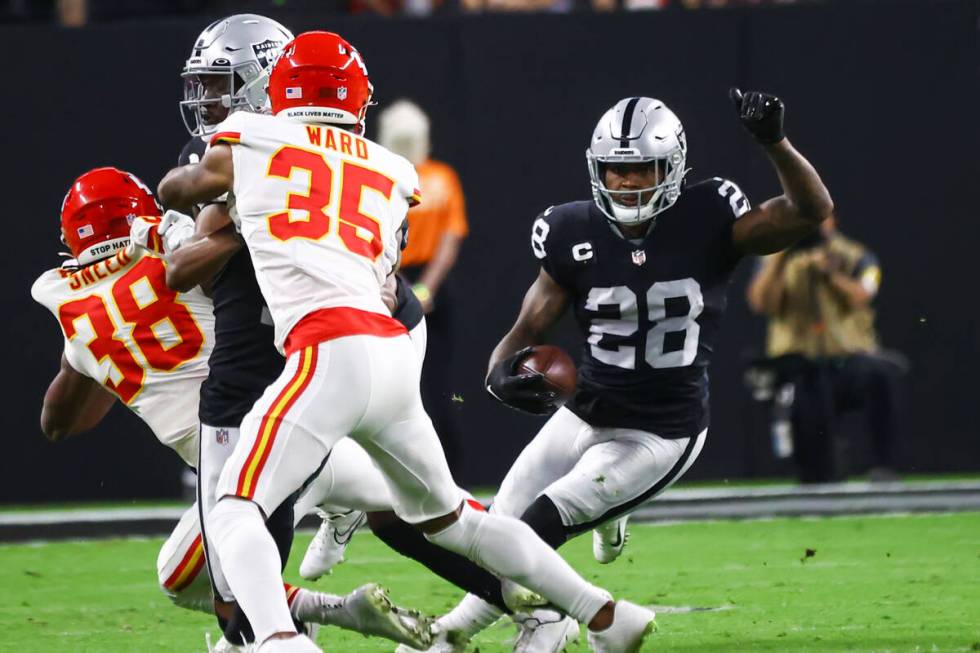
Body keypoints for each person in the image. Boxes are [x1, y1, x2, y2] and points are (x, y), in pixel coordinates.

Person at [158, 30, 654, 653]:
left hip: (324, 350)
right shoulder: (392, 168)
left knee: (235, 506)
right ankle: (604, 612)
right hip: (391, 352)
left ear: (277, 89)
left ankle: (283, 641)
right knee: (454, 520)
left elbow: (180, 191)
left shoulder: (254, 137)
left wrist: (210, 202)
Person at [424, 91, 834, 651]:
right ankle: (560, 585)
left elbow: (811, 210)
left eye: (642, 168)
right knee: (500, 521)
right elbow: (526, 329)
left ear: (673, 167)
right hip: (587, 408)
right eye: (616, 170)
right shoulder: (571, 230)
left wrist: (775, 143)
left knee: (537, 525)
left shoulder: (709, 215)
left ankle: (458, 633)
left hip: (660, 429)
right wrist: (499, 373)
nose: (627, 183)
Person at [31, 167, 429, 653]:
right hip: (295, 421)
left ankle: (323, 597)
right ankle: (355, 603)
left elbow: (59, 423)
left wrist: (86, 340)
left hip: (254, 445)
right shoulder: (179, 255)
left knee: (208, 587)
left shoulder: (78, 308)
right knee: (430, 507)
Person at [746, 215, 899, 482]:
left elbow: (864, 294)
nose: (810, 228)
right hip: (799, 363)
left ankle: (882, 465)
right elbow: (760, 303)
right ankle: (817, 472)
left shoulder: (855, 255)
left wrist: (832, 275)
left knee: (881, 372)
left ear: (831, 221)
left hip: (847, 360)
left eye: (816, 220)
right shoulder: (775, 258)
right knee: (817, 467)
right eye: (803, 220)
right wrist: (781, 258)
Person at [377, 99, 468, 470]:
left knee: (408, 387)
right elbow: (450, 243)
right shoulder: (441, 179)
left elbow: (380, 238)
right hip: (417, 283)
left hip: (390, 281)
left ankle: (427, 472)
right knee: (430, 385)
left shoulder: (382, 176)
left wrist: (407, 288)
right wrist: (424, 291)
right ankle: (442, 474)